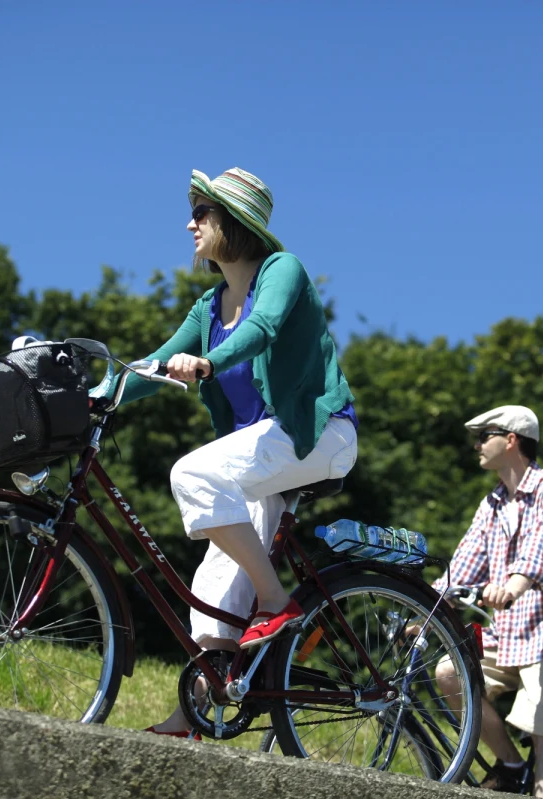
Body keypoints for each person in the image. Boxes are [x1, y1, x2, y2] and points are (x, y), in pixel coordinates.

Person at [113, 167, 358, 738]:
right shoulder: (210, 306)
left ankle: (276, 601)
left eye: (202, 212)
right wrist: (98, 391)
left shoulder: (282, 270)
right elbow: (153, 366)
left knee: (191, 472)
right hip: (258, 460)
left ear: (234, 221)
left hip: (316, 436)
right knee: (215, 588)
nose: (190, 223)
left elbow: (266, 327)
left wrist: (208, 363)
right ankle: (195, 713)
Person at [432, 405, 543, 797]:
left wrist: (512, 586)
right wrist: (426, 609)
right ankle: (511, 765)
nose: (476, 444)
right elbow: (461, 569)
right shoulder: (492, 504)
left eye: (484, 436)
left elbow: (540, 550)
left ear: (511, 440)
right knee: (448, 672)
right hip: (510, 634)